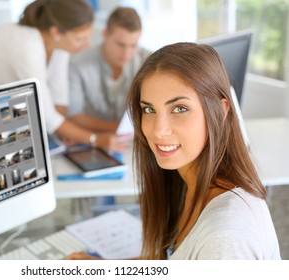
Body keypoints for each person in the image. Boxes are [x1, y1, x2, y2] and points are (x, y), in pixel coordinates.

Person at [66, 42, 281, 260]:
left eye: (179, 109)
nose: (158, 131)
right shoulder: (185, 179)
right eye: (149, 109)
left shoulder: (225, 241)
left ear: (220, 110)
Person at [0, 0, 127, 152]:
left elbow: (58, 97)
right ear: (57, 32)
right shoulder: (26, 45)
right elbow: (48, 117)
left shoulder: (59, 45)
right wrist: (96, 139)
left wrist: (63, 131)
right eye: (80, 38)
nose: (86, 44)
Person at [68, 6, 151, 132]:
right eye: (120, 44)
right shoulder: (78, 64)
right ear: (105, 34)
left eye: (133, 45)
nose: (126, 54)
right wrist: (118, 130)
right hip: (93, 139)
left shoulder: (150, 62)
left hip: (137, 139)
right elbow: (74, 115)